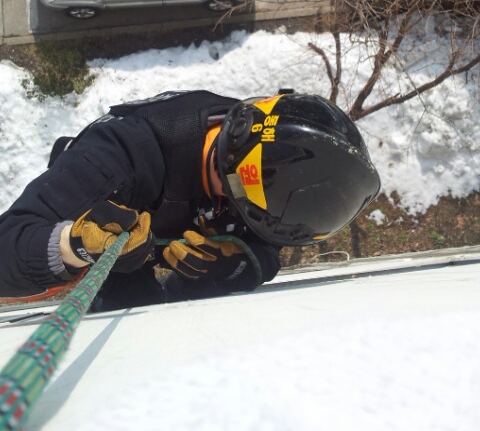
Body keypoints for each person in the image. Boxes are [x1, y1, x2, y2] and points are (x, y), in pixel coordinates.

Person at [0, 90, 380, 311]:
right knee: (131, 309)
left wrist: (230, 265)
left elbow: (266, 253)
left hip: (163, 226)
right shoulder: (120, 157)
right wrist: (77, 243)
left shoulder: (263, 154)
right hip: (110, 229)